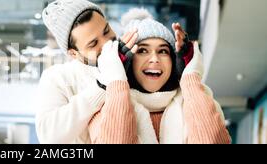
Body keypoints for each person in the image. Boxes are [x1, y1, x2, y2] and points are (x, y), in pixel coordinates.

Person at [36, 0, 187, 144]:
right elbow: (48, 136)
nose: (107, 42)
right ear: (74, 53)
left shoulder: (127, 55)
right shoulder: (57, 77)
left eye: (106, 30)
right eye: (93, 43)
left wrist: (181, 69)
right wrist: (102, 85)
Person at [88, 8, 231, 144]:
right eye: (143, 50)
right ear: (128, 61)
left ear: (174, 62)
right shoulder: (102, 110)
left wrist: (190, 76)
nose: (155, 59)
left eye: (163, 51)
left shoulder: (201, 101)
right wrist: (117, 80)